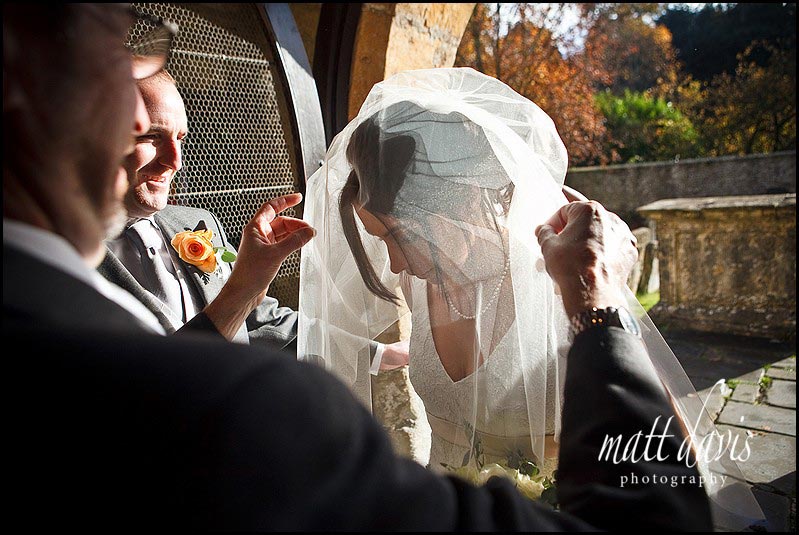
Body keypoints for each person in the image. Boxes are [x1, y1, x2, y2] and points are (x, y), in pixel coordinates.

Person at [4, 4, 714, 530]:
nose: (392, 264)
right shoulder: (241, 409)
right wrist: (597, 302)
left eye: (397, 235)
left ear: (455, 210)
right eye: (113, 56)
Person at [298, 67, 765, 530]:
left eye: (401, 236)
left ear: (462, 203)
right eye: (382, 241)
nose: (396, 264)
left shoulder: (571, 287)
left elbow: (666, 450)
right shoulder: (418, 282)